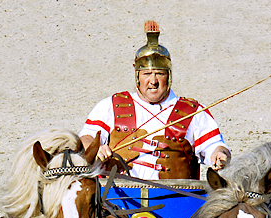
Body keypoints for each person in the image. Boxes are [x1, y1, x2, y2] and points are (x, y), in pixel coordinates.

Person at [80, 21, 230, 180]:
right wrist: (94, 149)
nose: (153, 81)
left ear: (169, 76)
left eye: (159, 73)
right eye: (146, 74)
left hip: (176, 194)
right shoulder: (111, 106)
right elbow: (85, 139)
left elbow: (214, 146)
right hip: (118, 194)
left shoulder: (193, 111)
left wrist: (219, 155)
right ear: (137, 75)